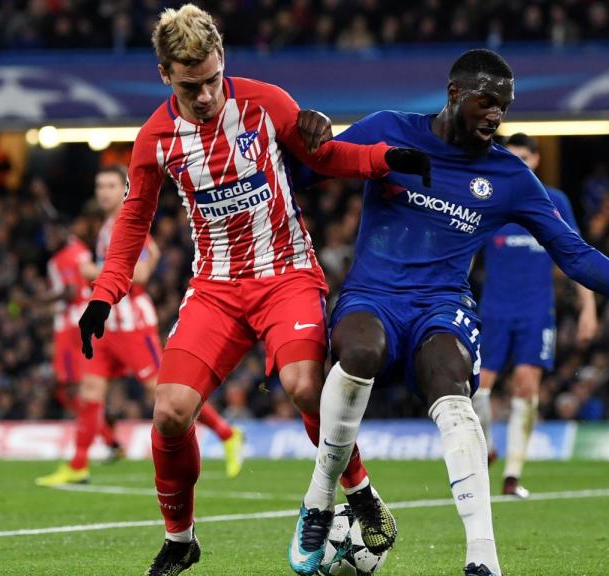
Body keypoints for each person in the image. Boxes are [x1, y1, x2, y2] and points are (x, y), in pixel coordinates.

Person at [291, 49, 609, 576]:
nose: (496, 115)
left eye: (505, 107)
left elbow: (576, 254)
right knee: (359, 351)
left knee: (453, 389)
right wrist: (305, 133)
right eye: (487, 102)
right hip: (372, 296)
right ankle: (317, 501)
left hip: (441, 308)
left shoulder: (509, 177)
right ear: (454, 94)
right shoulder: (387, 129)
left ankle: (484, 560)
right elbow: (301, 174)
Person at [76, 5, 431, 575]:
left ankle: (360, 492)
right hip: (215, 287)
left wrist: (385, 160)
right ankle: (180, 538)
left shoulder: (266, 102)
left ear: (224, 63)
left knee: (302, 385)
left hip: (286, 273)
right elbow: (132, 224)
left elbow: (325, 155)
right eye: (191, 85)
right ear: (165, 75)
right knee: (168, 413)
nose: (207, 95)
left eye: (214, 79)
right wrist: (104, 293)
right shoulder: (154, 140)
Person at [38, 166, 246, 487]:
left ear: (124, 190)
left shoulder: (130, 224)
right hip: (109, 326)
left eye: (111, 185)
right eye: (100, 185)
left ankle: (227, 434)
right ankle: (78, 465)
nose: (104, 191)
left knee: (164, 393)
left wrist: (92, 268)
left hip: (134, 327)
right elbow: (148, 256)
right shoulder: (108, 227)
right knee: (90, 390)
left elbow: (143, 274)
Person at [471, 132, 599, 498]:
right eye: (511, 158)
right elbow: (465, 253)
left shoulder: (553, 201)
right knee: (480, 390)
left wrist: (588, 307)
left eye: (524, 158)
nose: (518, 165)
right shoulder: (487, 200)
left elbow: (576, 255)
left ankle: (512, 476)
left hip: (535, 312)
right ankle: (490, 446)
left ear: (536, 161)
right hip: (493, 311)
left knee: (526, 387)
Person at [36, 215, 126, 486]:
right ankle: (105, 438)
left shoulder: (74, 254)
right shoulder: (66, 255)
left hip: (74, 327)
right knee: (74, 389)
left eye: (55, 232)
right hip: (73, 324)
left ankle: (96, 445)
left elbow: (72, 290)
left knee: (72, 388)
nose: (50, 238)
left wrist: (33, 301)